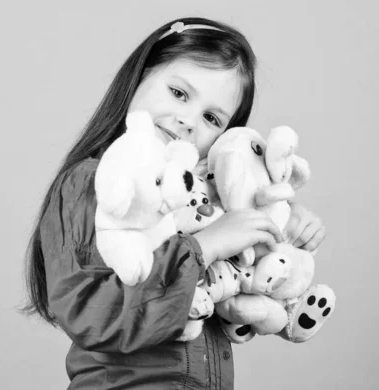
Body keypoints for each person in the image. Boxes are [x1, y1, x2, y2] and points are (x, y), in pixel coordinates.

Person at [23, 17, 326, 390]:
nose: (187, 121)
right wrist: (205, 246)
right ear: (141, 75)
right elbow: (90, 312)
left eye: (212, 118)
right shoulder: (95, 183)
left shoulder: (200, 203)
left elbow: (241, 285)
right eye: (179, 93)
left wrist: (280, 222)